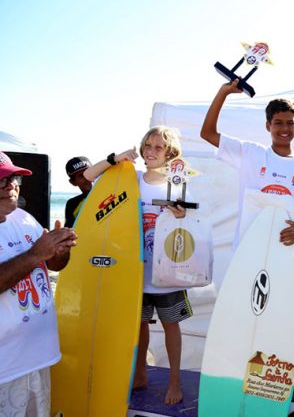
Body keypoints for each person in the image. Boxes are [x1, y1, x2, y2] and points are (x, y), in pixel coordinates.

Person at [199, 79, 294, 326]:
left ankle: (283, 365)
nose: (284, 128)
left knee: (286, 324)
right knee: (250, 319)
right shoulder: (251, 153)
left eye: (290, 123)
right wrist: (223, 93)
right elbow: (207, 133)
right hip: (250, 256)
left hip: (287, 261)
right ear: (268, 125)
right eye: (278, 122)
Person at [83, 126, 191, 405]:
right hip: (134, 271)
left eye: (158, 147)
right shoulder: (130, 178)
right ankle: (140, 374)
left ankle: (175, 381)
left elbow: (190, 225)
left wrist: (182, 215)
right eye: (147, 146)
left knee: (171, 326)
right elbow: (87, 176)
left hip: (167, 272)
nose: (150, 151)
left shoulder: (177, 182)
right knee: (139, 325)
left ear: (170, 153)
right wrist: (115, 158)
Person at [0, 151, 77, 417]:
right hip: (5, 369)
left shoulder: (24, 218)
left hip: (38, 358)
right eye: (2, 181)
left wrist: (59, 251)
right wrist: (36, 254)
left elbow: (53, 266)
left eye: (15, 178)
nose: (12, 186)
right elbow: (34, 258)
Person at [64, 156, 92, 227]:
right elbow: (70, 232)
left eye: (89, 172)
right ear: (73, 182)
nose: (87, 177)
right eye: (81, 176)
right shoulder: (72, 204)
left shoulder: (112, 191)